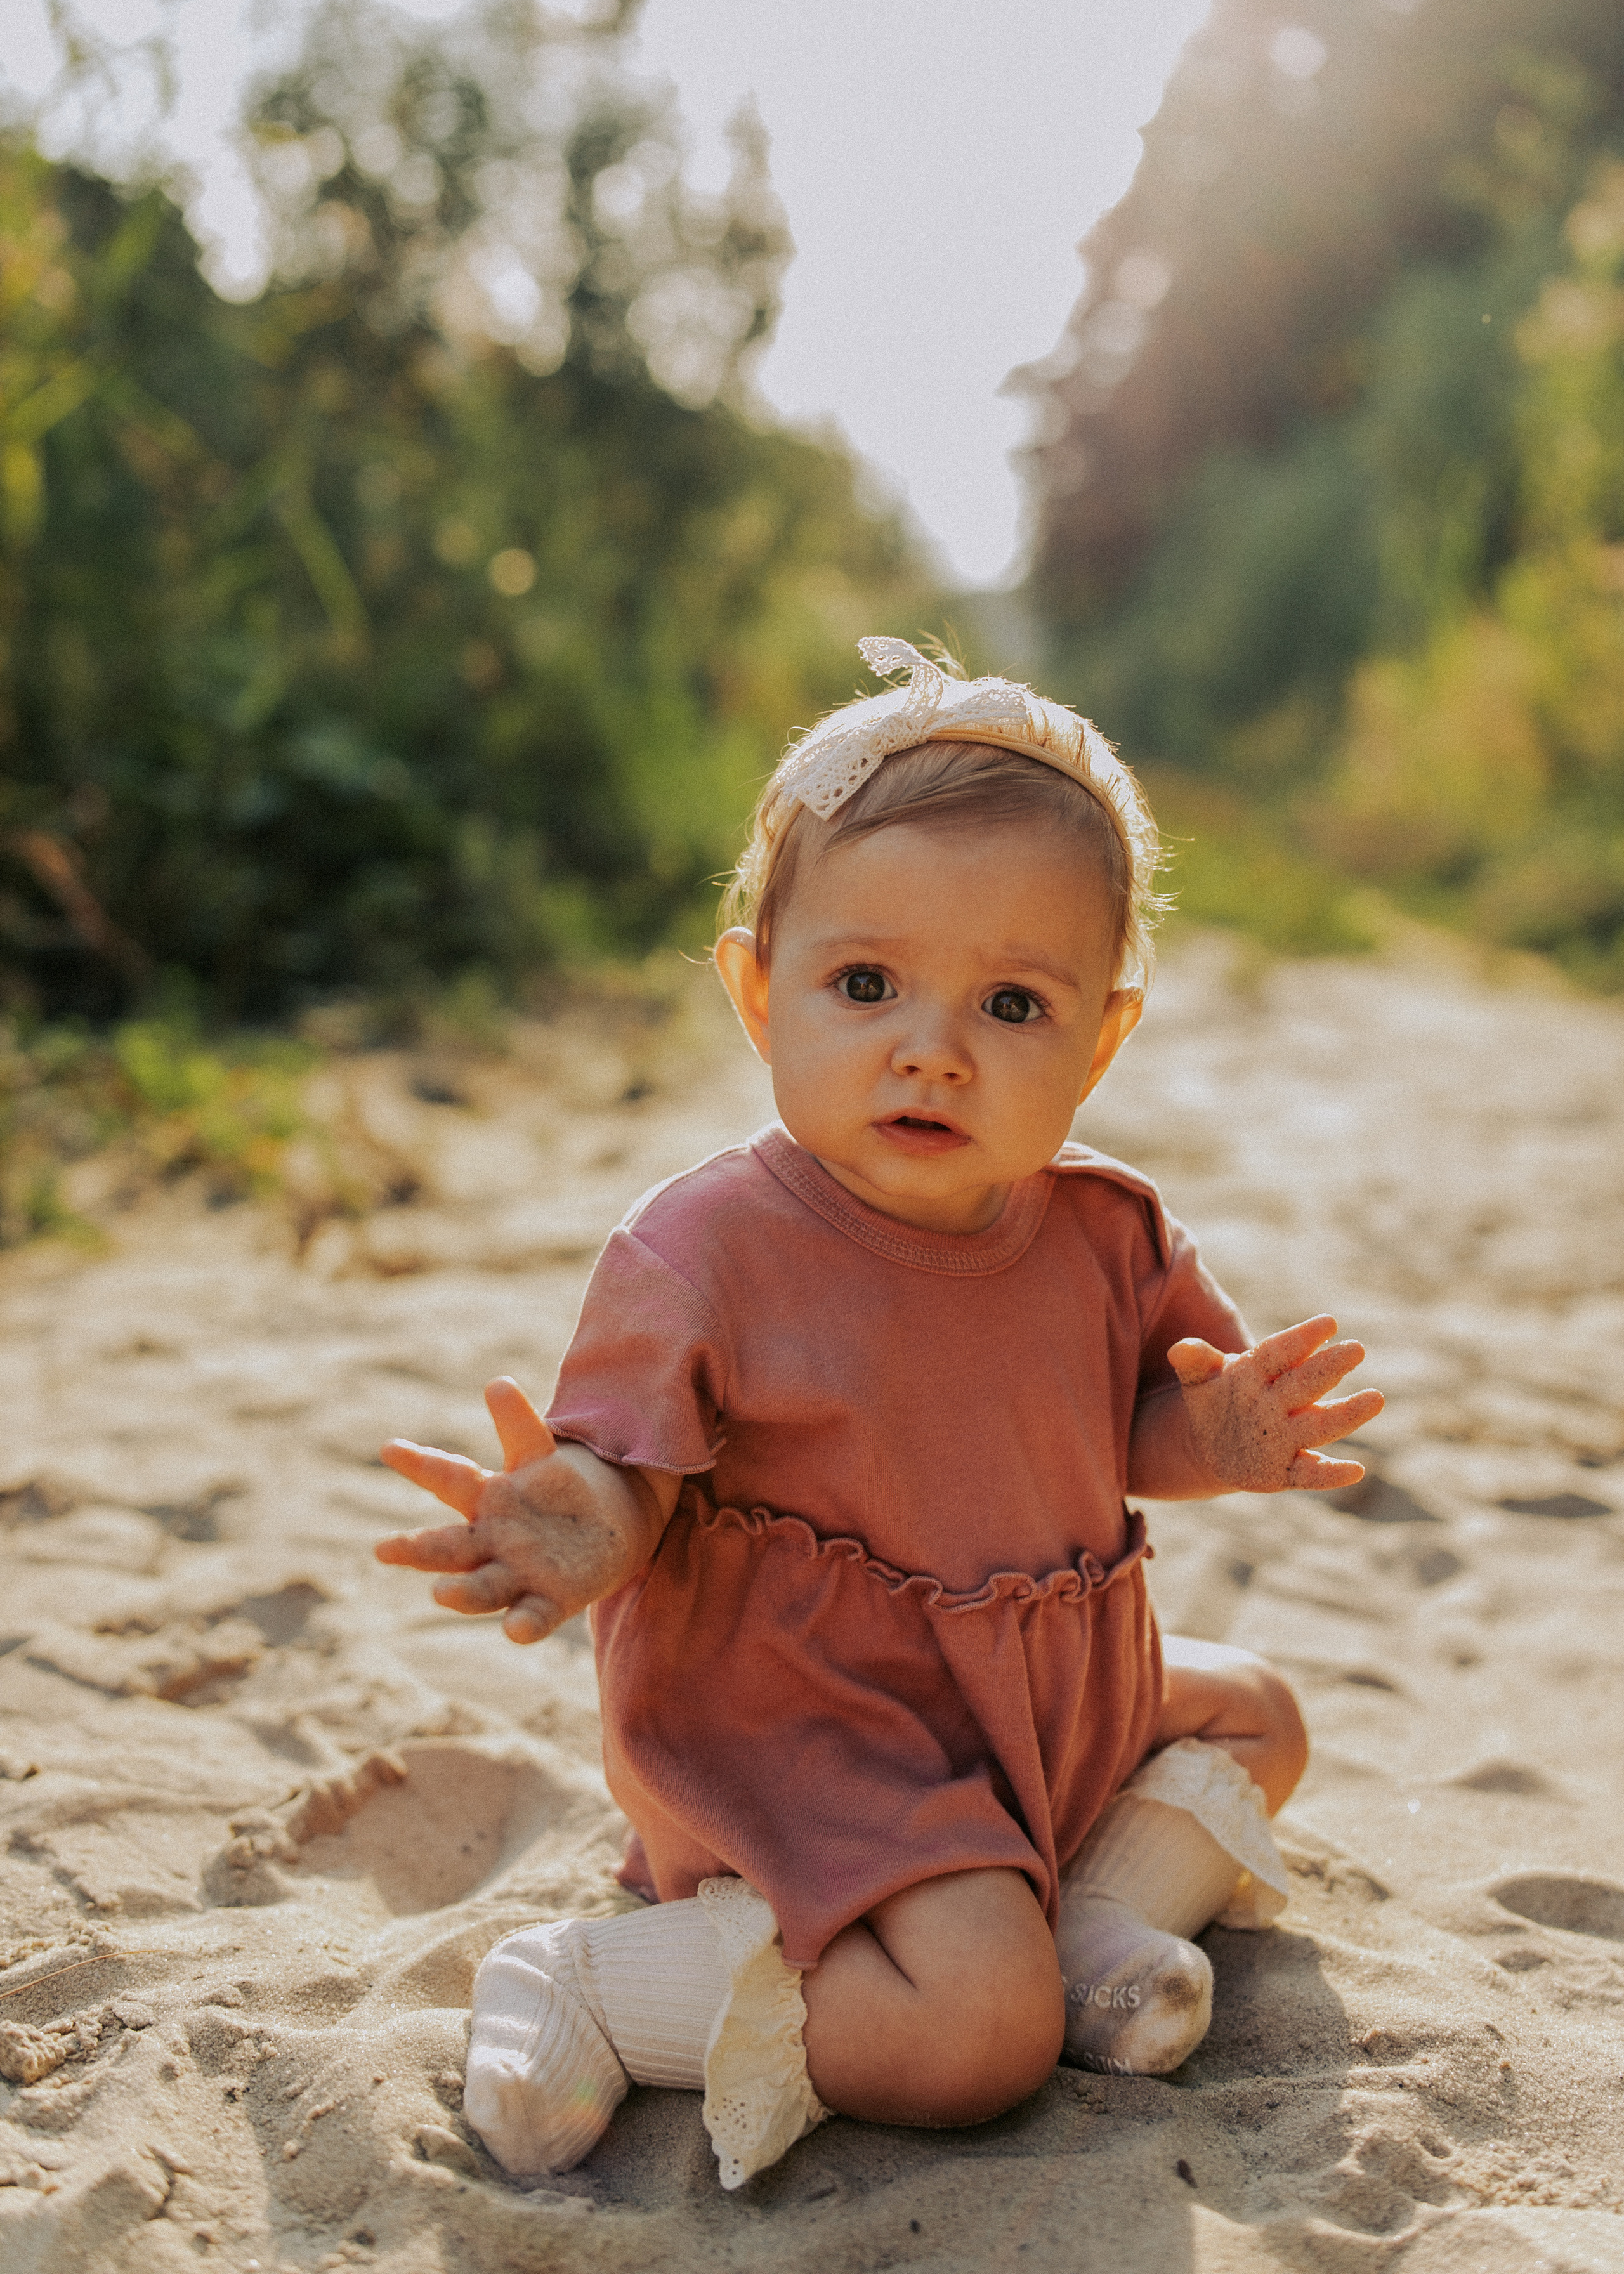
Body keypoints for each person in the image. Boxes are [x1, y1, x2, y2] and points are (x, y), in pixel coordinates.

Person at [375, 638, 1383, 2190]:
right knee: (972, 2037)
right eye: (864, 985)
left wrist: (1224, 1443)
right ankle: (594, 1982)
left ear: (1101, 1038)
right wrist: (582, 1521)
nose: (933, 1047)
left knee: (1257, 1714)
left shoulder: (1108, 1233)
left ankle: (1091, 1923)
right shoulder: (704, 1249)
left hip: (1034, 1702)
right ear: (755, 990)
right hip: (811, 1729)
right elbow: (626, 1467)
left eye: (1010, 1002)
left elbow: (1123, 1430)